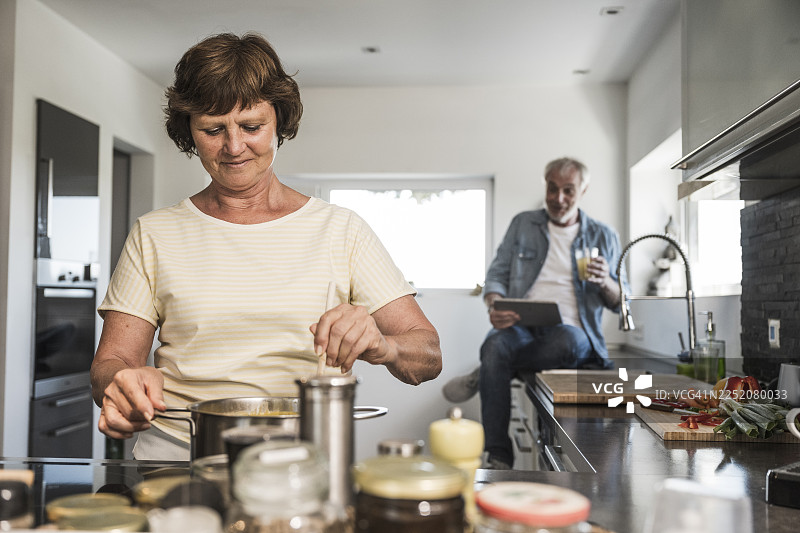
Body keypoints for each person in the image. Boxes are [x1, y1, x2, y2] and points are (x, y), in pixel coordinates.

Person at [90, 32, 442, 460]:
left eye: (252, 127)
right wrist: (121, 384)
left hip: (303, 459)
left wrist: (384, 346)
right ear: (189, 132)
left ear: (279, 121)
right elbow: (111, 363)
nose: (234, 147)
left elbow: (427, 355)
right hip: (178, 455)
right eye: (213, 129)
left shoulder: (341, 230)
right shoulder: (154, 234)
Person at [443, 157, 622, 469]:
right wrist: (494, 304)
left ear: (583, 190)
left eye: (568, 190)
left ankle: (487, 371)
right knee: (495, 343)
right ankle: (498, 456)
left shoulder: (603, 236)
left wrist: (606, 280)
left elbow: (620, 301)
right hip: (521, 326)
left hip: (572, 333)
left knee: (566, 341)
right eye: (552, 189)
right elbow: (497, 274)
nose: (558, 198)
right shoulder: (523, 224)